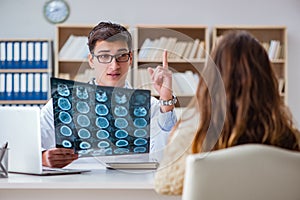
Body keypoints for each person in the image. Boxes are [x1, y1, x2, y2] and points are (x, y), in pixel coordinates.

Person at [154, 30, 300, 195]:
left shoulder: (194, 141)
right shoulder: (292, 141)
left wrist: (175, 138)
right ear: (267, 84)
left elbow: (164, 183)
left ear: (212, 82)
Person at [41, 21, 177, 168]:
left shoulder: (151, 106)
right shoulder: (60, 103)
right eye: (104, 56)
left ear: (130, 58)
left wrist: (166, 100)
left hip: (131, 186)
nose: (114, 66)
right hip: (78, 186)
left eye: (121, 56)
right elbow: (28, 148)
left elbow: (166, 158)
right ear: (91, 60)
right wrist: (42, 158)